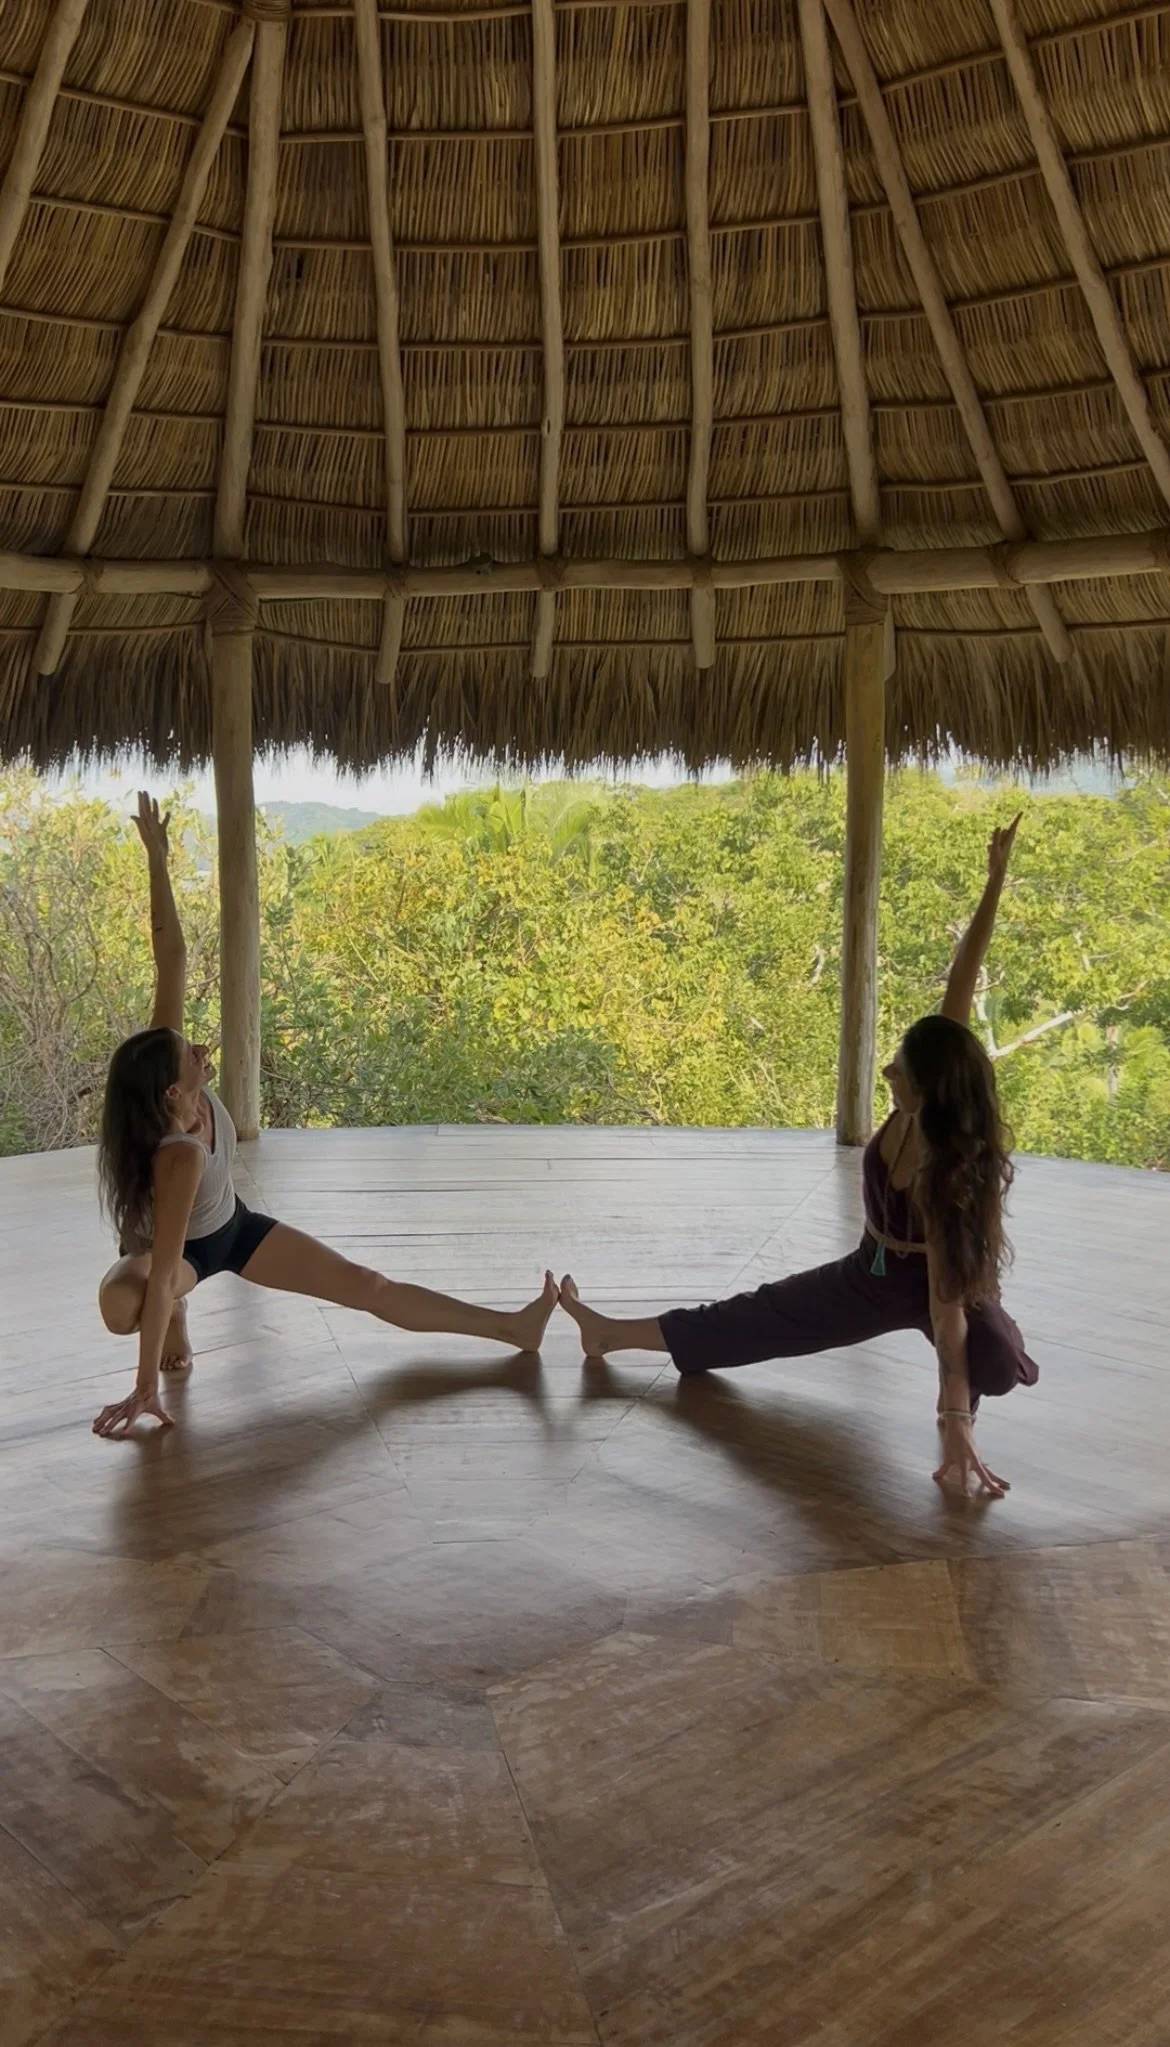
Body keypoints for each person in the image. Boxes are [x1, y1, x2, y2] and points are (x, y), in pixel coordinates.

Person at [560, 815, 1036, 1500]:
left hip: (939, 1278)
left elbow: (944, 1309)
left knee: (987, 1355)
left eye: (898, 1071)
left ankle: (965, 1406)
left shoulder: (948, 1177)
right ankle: (609, 1334)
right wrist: (994, 882)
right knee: (760, 1314)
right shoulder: (939, 1067)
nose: (887, 1076)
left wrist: (952, 1417)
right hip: (872, 1268)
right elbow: (962, 977)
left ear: (928, 1090)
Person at [93, 794, 557, 1438]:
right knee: (126, 1302)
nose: (199, 1050)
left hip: (232, 1227)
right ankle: (172, 1320)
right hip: (177, 1247)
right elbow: (168, 1267)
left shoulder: (164, 1080)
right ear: (170, 1095)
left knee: (366, 1284)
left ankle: (510, 1326)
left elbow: (170, 956)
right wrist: (145, 1386)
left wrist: (158, 860)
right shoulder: (178, 1154)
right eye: (189, 1055)